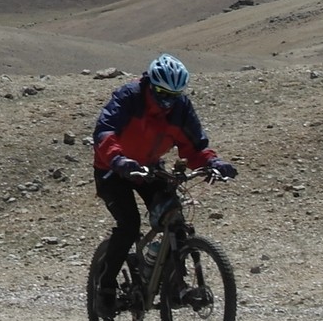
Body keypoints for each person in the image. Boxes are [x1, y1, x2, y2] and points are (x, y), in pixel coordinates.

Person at [90, 54, 236, 303]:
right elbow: (104, 131)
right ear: (151, 85)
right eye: (162, 93)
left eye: (174, 95)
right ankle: (105, 288)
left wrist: (213, 162)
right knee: (129, 226)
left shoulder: (180, 109)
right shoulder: (129, 97)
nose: (168, 101)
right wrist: (119, 160)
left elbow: (194, 147)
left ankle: (175, 285)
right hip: (113, 170)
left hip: (148, 169)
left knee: (174, 219)